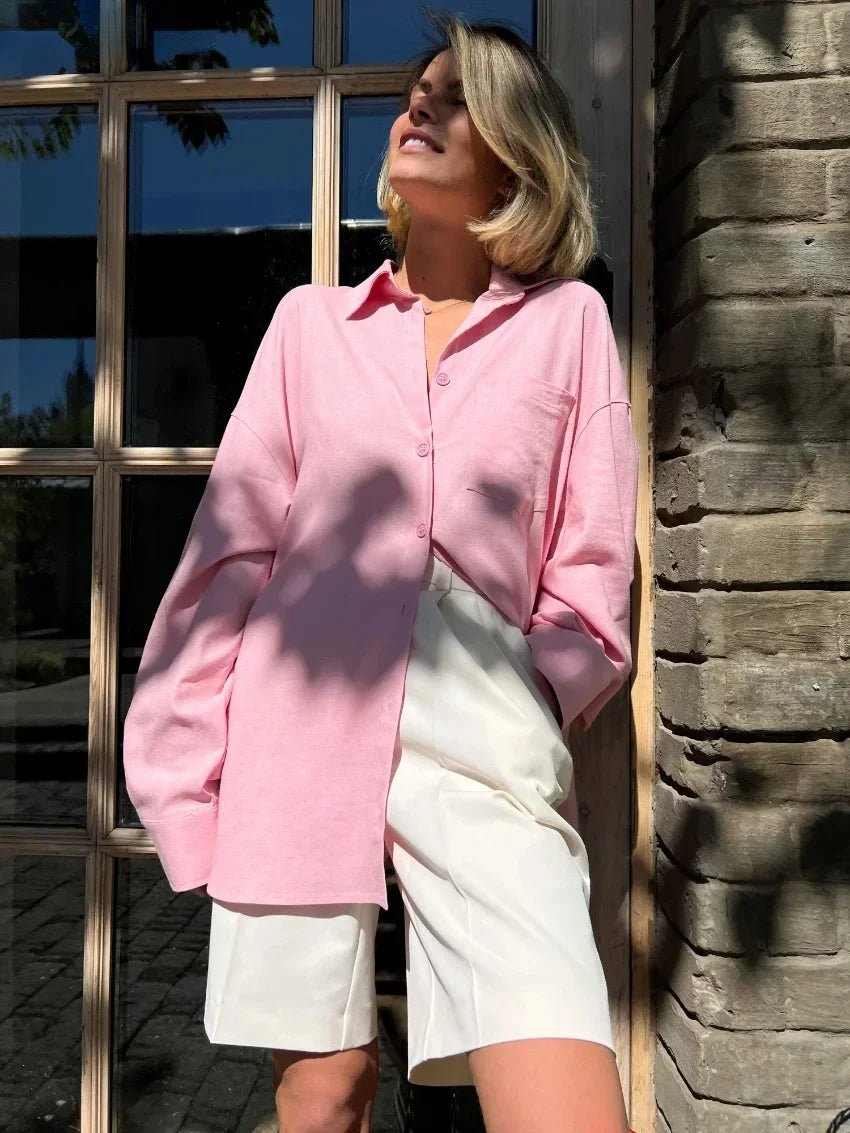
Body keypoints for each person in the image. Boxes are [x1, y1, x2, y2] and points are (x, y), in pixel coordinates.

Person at [122, 12, 639, 1133]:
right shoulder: (311, 327)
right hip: (300, 723)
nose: (419, 108)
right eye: (417, 94)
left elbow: (593, 561)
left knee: (563, 1091)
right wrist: (181, 769)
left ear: (516, 151)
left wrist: (532, 692)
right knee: (324, 1094)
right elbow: (230, 554)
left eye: (456, 99)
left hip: (481, 721)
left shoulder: (568, 323)